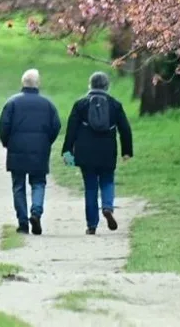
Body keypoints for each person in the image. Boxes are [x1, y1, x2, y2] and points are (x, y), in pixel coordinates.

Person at [61, 71, 133, 235]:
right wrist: (126, 151)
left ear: (90, 85)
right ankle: (107, 207)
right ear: (107, 86)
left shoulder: (80, 105)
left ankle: (91, 225)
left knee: (90, 187)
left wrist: (67, 151)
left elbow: (71, 130)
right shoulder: (115, 105)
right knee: (108, 180)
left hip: (85, 153)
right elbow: (125, 130)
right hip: (108, 151)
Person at [0, 69, 61, 235]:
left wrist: (7, 143)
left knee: (18, 186)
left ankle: (23, 223)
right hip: (40, 150)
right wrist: (46, 142)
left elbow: (3, 126)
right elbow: (56, 126)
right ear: (37, 83)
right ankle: (36, 212)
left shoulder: (12, 103)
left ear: (23, 83)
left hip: (16, 149)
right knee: (38, 183)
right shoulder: (47, 105)